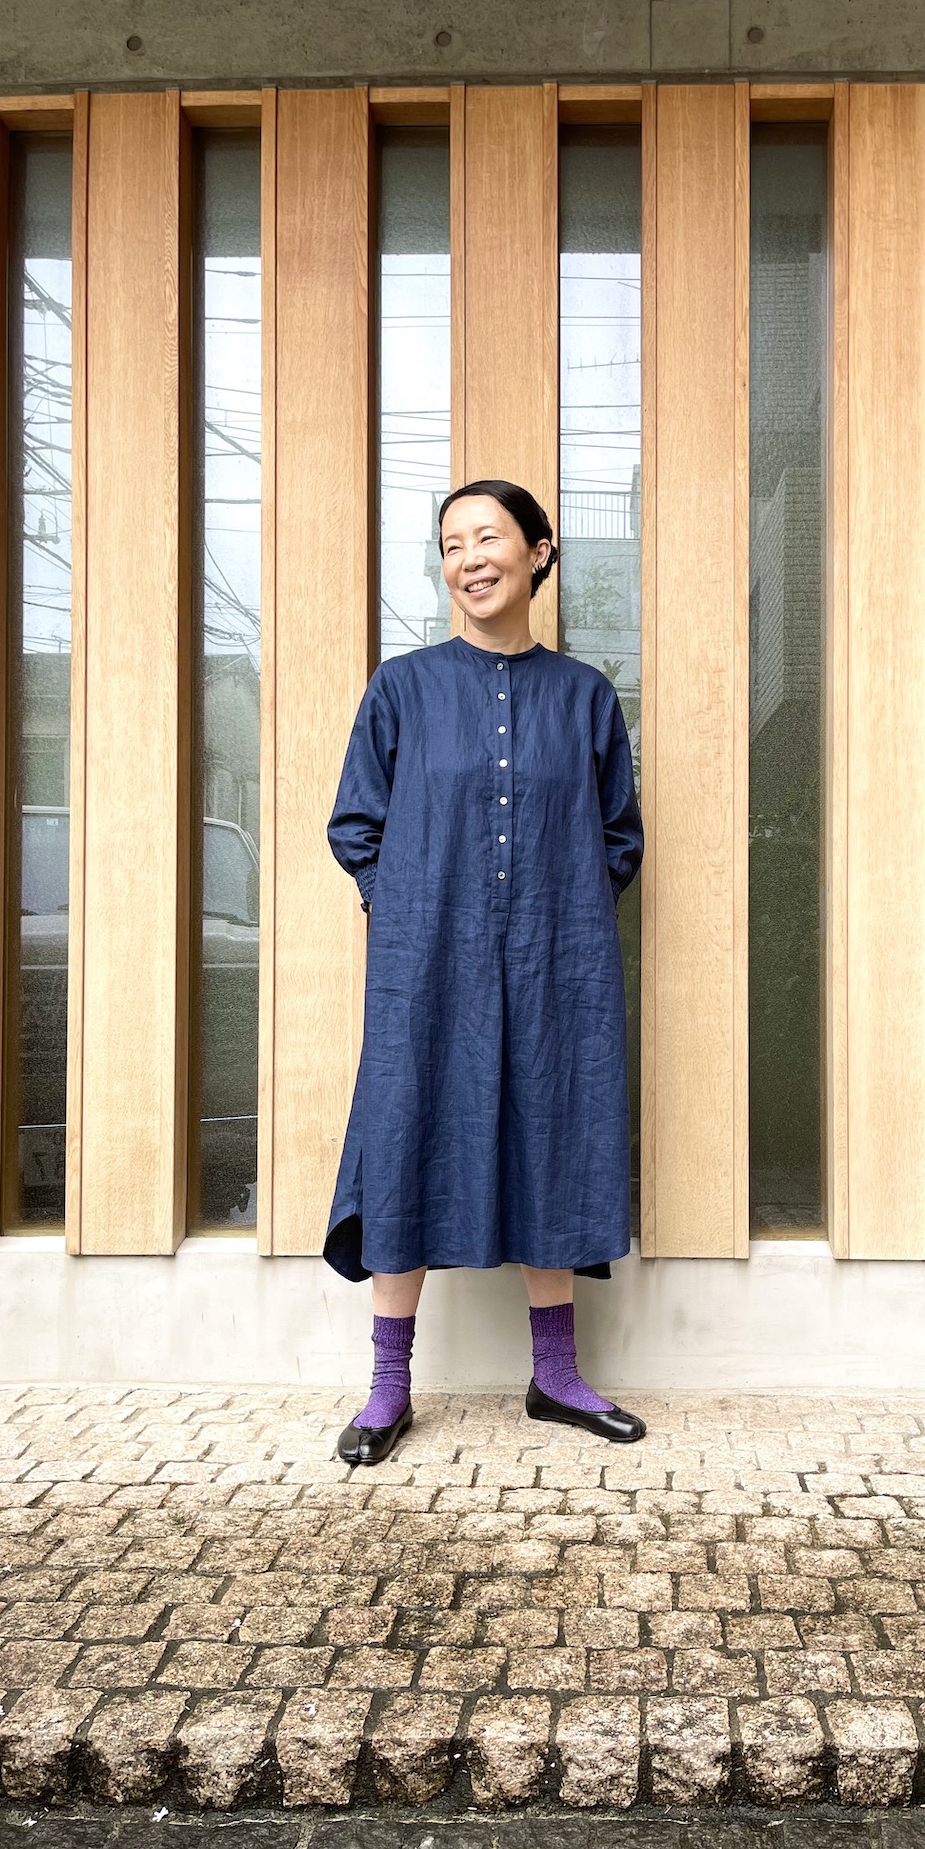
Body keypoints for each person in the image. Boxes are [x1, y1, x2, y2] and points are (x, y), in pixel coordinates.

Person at [324, 479, 647, 1466]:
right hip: (425, 960)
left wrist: (561, 912)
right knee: (407, 1129)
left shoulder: (586, 697)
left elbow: (618, 836)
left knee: (553, 1126)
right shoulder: (402, 689)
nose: (469, 558)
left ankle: (557, 1376)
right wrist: (406, 906)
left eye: (488, 537)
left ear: (539, 553)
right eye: (452, 543)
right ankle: (388, 1387)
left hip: (558, 960)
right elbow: (356, 825)